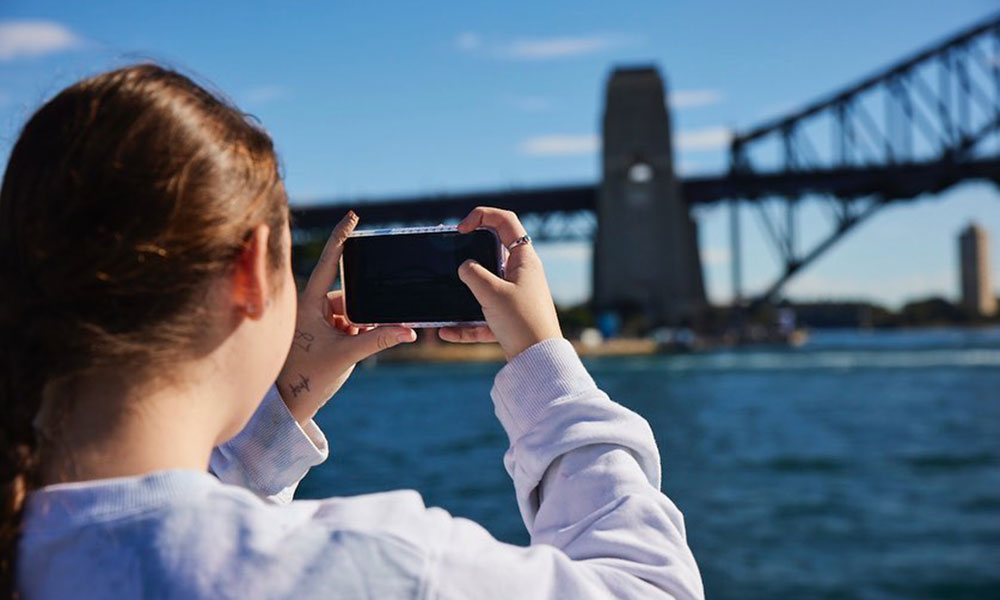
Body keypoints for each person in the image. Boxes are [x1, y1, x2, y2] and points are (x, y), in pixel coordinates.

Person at [0, 64, 703, 599]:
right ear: (250, 272)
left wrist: (289, 396)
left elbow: (155, 531)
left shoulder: (28, 542)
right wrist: (547, 365)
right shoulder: (385, 564)